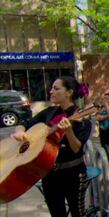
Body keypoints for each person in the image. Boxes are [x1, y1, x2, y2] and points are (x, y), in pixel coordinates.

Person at [11, 76, 92, 217]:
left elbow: (76, 149)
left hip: (73, 174)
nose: (51, 92)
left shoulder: (81, 118)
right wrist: (19, 131)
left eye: (56, 88)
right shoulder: (49, 112)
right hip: (49, 174)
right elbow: (27, 122)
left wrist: (68, 131)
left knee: (78, 213)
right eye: (52, 88)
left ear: (69, 92)